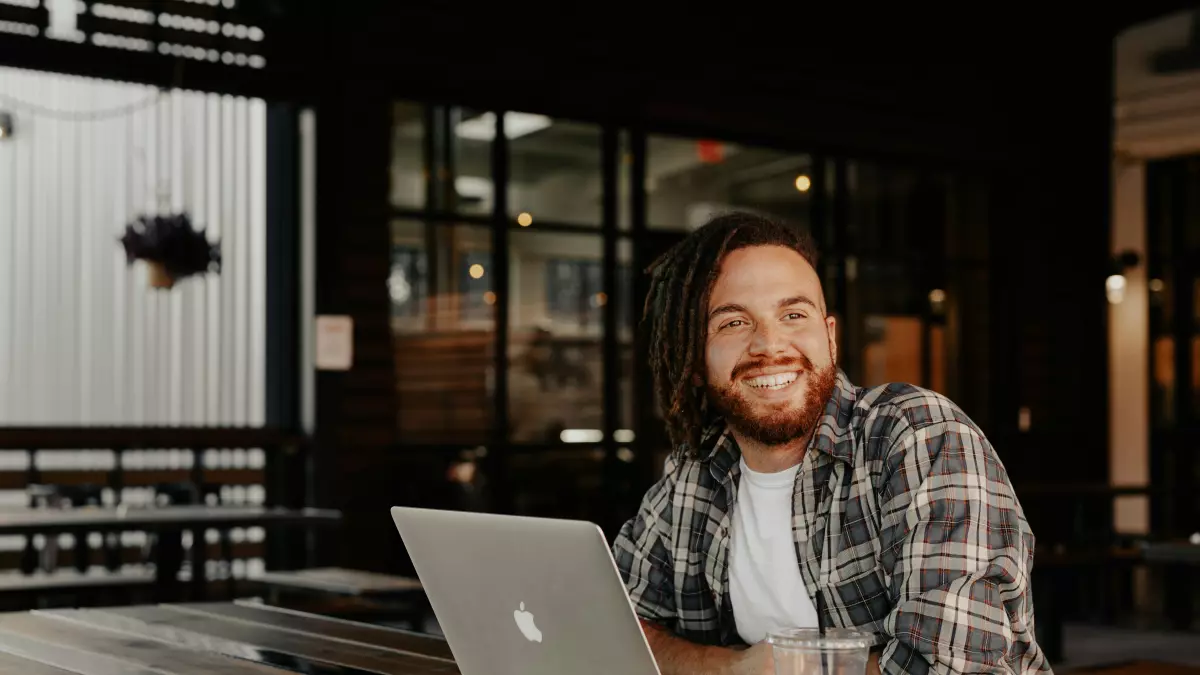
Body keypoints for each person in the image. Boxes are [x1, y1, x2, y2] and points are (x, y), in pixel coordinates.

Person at [612, 212, 1049, 675]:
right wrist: (731, 669)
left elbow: (953, 664)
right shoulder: (694, 473)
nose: (770, 344)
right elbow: (616, 625)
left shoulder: (918, 436)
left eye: (794, 315)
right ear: (696, 360)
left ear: (830, 337)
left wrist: (791, 668)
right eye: (734, 323)